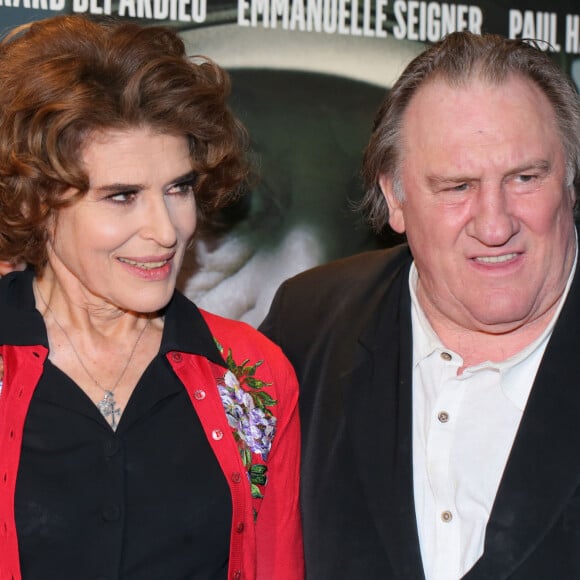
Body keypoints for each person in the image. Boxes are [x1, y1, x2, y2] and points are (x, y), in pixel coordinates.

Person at [260, 31, 580, 579]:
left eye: (525, 178)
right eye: (457, 187)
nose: (496, 224)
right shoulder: (309, 325)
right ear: (395, 198)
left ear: (571, 180)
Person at [0, 15, 303, 580]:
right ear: (34, 202)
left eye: (178, 188)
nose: (166, 230)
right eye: (122, 196)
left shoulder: (251, 376)